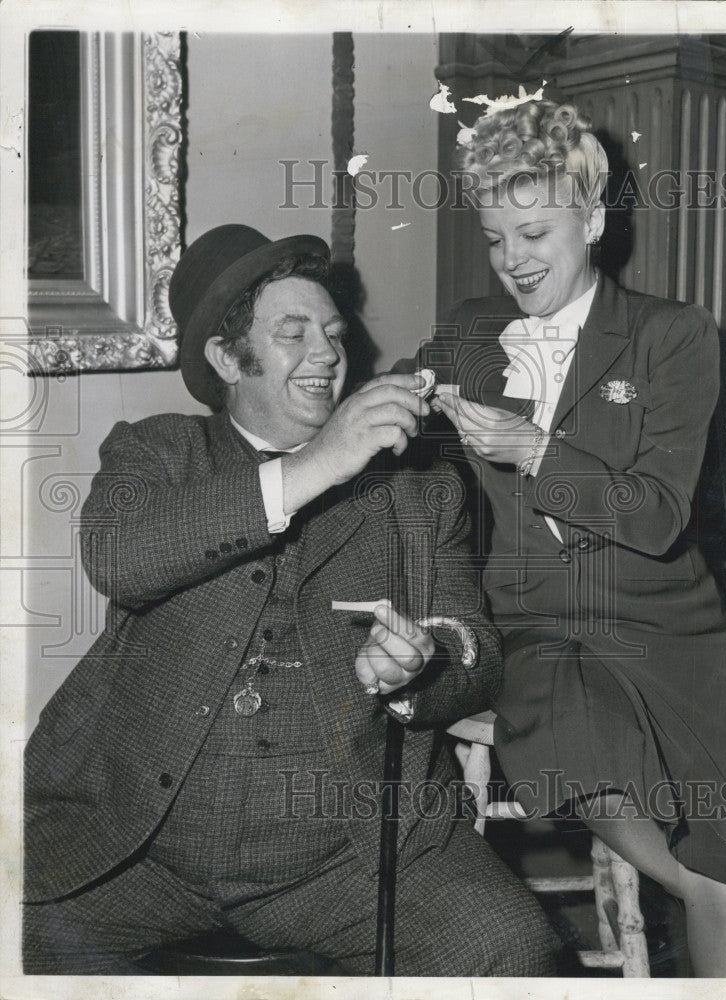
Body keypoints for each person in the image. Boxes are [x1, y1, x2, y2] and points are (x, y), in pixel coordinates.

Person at [22, 224, 560, 976]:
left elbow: (476, 648)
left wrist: (425, 660)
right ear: (225, 356)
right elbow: (119, 557)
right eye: (293, 332)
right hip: (136, 845)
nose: (329, 354)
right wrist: (321, 460)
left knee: (508, 948)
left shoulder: (416, 489)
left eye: (334, 333)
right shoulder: (159, 452)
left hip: (341, 857)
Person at [398, 100, 726, 976]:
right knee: (595, 761)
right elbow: (394, 408)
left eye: (534, 231)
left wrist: (531, 450)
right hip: (544, 629)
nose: (513, 260)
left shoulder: (675, 336)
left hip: (674, 628)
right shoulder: (468, 334)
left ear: (594, 220)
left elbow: (658, 515)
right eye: (495, 238)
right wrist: (392, 405)